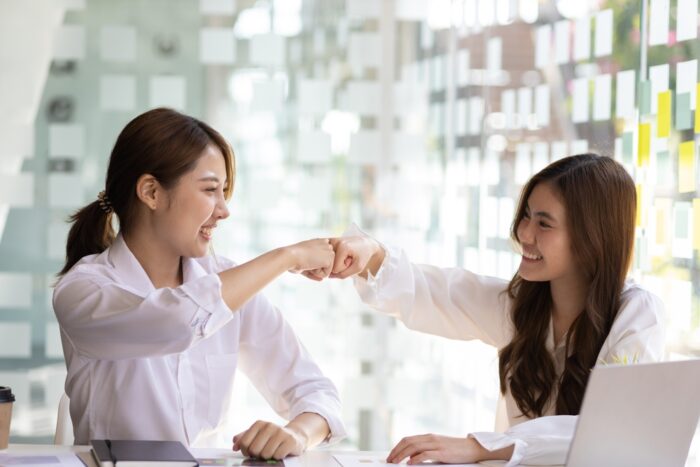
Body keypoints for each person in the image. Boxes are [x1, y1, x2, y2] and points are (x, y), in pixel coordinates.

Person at [326, 154, 664, 465]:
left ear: (593, 237)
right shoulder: (523, 308)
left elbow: (612, 430)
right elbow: (438, 293)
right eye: (527, 216)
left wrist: (481, 446)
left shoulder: (636, 314)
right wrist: (368, 254)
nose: (524, 233)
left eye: (544, 224)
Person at [53, 108, 346, 458]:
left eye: (224, 192)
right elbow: (175, 322)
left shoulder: (230, 286)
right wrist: (287, 257)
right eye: (210, 190)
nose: (224, 210)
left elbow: (317, 392)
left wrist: (297, 434)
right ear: (151, 192)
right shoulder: (83, 290)